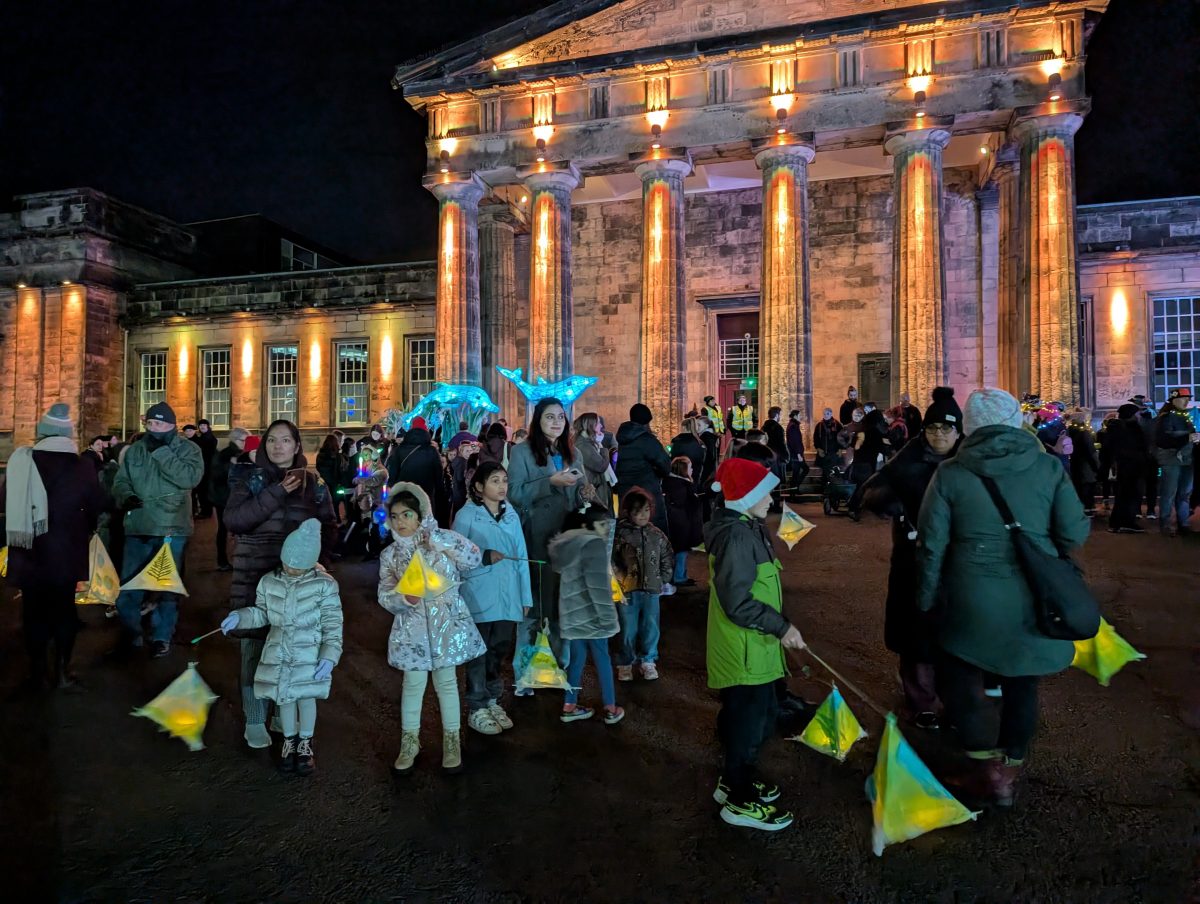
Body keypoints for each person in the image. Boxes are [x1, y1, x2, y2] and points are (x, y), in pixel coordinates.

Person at [916, 388, 1090, 807]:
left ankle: (984, 764)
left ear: (970, 426)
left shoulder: (951, 473)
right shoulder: (1047, 467)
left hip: (971, 594)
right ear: (1015, 420)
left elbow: (931, 545)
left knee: (960, 679)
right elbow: (1074, 532)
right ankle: (1008, 771)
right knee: (1022, 682)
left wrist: (926, 599)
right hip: (1033, 591)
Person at [704, 457, 806, 831]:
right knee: (748, 726)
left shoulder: (748, 527)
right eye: (765, 493)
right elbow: (737, 602)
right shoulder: (738, 536)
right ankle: (739, 799)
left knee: (757, 719)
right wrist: (781, 627)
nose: (772, 499)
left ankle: (735, 780)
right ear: (746, 496)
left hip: (754, 645)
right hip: (744, 648)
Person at [224, 419, 338, 749]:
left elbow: (329, 525)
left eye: (285, 440)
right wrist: (277, 492)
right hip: (254, 570)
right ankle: (255, 717)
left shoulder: (314, 482)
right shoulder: (249, 478)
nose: (278, 446)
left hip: (298, 579)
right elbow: (234, 520)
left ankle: (281, 712)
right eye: (272, 440)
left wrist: (318, 563)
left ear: (297, 445)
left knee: (292, 650)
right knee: (254, 649)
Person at [860, 387, 962, 729]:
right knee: (916, 633)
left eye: (946, 428)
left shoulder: (970, 461)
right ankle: (922, 702)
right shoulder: (909, 458)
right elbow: (874, 488)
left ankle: (955, 701)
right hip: (913, 558)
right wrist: (889, 501)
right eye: (932, 428)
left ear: (958, 431)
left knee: (954, 633)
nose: (939, 435)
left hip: (956, 560)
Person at [219, 519, 343, 776]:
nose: (290, 569)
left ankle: (305, 743)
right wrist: (240, 617)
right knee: (284, 698)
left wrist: (329, 655)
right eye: (287, 564)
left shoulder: (324, 585)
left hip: (309, 654)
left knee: (306, 699)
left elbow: (333, 624)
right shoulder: (269, 581)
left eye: (297, 567)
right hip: (280, 652)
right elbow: (262, 613)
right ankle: (289, 740)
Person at [379, 483, 485, 775]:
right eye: (395, 516)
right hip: (410, 632)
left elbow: (473, 558)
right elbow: (384, 594)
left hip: (445, 627)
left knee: (447, 684)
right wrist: (403, 599)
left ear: (421, 515)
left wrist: (439, 539)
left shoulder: (441, 540)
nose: (400, 522)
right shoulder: (390, 555)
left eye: (407, 514)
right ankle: (409, 742)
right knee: (412, 686)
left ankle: (452, 741)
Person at [2, 403, 105, 691]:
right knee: (63, 613)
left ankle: (37, 674)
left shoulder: (22, 461)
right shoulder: (81, 466)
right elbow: (96, 503)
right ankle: (61, 674)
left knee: (33, 614)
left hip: (29, 551)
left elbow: (3, 501)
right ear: (68, 434)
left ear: (41, 433)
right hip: (65, 553)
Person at [111, 402, 205, 658]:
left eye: (160, 424)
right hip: (138, 526)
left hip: (171, 528)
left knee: (166, 587)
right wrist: (126, 496)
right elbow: (120, 480)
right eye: (151, 423)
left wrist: (162, 452)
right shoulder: (135, 450)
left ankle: (161, 636)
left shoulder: (189, 449)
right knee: (130, 587)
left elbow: (189, 478)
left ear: (172, 425)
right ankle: (132, 633)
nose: (154, 428)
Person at [507, 397, 589, 676]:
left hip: (566, 538)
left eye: (560, 417)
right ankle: (525, 672)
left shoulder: (573, 453)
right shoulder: (522, 452)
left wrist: (584, 493)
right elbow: (514, 492)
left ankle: (557, 667)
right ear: (538, 420)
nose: (556, 422)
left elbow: (579, 494)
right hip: (536, 536)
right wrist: (549, 482)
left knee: (561, 605)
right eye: (549, 417)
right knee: (534, 606)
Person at [452, 462, 531, 736]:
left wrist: (525, 595)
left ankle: (493, 699)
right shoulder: (466, 516)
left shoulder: (511, 515)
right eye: (495, 481)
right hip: (478, 593)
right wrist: (483, 558)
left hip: (508, 594)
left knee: (499, 648)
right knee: (479, 651)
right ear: (478, 486)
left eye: (504, 480)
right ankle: (476, 705)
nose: (501, 486)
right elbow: (455, 556)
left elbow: (521, 555)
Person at [548, 506, 624, 724]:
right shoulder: (594, 545)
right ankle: (611, 708)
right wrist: (608, 619)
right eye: (603, 524)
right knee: (602, 659)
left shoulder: (568, 545)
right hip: (593, 618)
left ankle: (569, 705)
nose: (606, 529)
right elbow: (598, 587)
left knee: (577, 660)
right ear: (589, 525)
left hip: (573, 617)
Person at [612, 487, 674, 682]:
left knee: (651, 626)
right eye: (638, 511)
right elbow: (612, 560)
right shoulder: (620, 534)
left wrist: (662, 578)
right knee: (627, 628)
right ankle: (625, 662)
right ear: (628, 512)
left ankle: (648, 660)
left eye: (646, 510)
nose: (643, 515)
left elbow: (667, 556)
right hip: (627, 591)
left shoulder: (656, 534)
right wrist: (619, 581)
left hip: (651, 590)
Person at [614, 403, 672, 532]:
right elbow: (665, 465)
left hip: (626, 491)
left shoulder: (622, 439)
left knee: (629, 527)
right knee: (651, 528)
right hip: (646, 490)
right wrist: (659, 472)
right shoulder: (647, 440)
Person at [1153, 388, 1197, 536]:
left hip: (1186, 459)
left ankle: (1182, 523)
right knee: (1169, 493)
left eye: (1188, 398)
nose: (1187, 401)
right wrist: (1187, 438)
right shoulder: (1166, 418)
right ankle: (1167, 524)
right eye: (1184, 398)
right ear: (1174, 400)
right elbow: (1163, 440)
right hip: (1172, 460)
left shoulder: (1183, 416)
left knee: (1183, 493)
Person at [385, 417, 443, 515]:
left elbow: (392, 475)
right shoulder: (432, 451)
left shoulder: (400, 450)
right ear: (425, 431)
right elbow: (439, 478)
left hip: (404, 497)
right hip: (426, 498)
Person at [209, 427, 248, 572]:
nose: (245, 443)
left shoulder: (244, 454)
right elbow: (217, 476)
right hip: (224, 498)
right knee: (224, 529)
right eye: (243, 440)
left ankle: (239, 558)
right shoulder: (225, 455)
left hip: (237, 497)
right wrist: (231, 465)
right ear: (235, 440)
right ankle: (222, 560)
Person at [1106, 404, 1149, 534]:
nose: (1139, 416)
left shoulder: (1120, 428)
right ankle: (1125, 522)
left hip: (1129, 465)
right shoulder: (1127, 429)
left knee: (1125, 495)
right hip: (1130, 466)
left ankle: (1119, 522)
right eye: (1136, 413)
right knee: (1129, 494)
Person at [663, 457, 702, 586]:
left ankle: (675, 576)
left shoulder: (666, 483)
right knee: (681, 552)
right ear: (684, 470)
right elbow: (693, 506)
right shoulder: (685, 486)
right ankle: (679, 577)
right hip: (683, 525)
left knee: (674, 551)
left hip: (672, 524)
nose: (692, 470)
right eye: (690, 467)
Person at [352, 444, 390, 560]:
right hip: (367, 502)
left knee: (378, 527)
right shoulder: (365, 468)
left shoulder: (381, 470)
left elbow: (373, 481)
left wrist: (360, 479)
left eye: (368, 454)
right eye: (364, 455)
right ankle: (371, 549)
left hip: (378, 502)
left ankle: (378, 550)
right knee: (370, 526)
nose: (366, 457)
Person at [574, 411, 617, 511]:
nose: (601, 426)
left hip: (596, 487)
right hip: (593, 490)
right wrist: (604, 450)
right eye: (598, 423)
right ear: (590, 425)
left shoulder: (588, 442)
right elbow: (601, 466)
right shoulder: (583, 445)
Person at [1066, 408, 1100, 516]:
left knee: (1078, 486)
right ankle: (1088, 509)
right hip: (1085, 464)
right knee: (1087, 486)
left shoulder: (1068, 432)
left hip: (1074, 463)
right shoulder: (1084, 433)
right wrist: (1096, 466)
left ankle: (1080, 508)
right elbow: (1090, 452)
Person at [669, 417, 706, 492]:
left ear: (684, 427)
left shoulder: (676, 441)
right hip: (695, 473)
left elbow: (670, 455)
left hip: (678, 475)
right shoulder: (700, 442)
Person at [193, 419, 218, 518]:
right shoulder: (202, 438)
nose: (202, 427)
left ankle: (206, 511)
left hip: (207, 468)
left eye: (204, 425)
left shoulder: (210, 438)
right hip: (203, 467)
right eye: (200, 425)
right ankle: (205, 510)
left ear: (207, 426)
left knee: (204, 490)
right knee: (202, 490)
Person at [812, 408, 842, 481]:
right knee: (825, 469)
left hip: (834, 451)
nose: (825, 415)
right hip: (823, 451)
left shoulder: (837, 424)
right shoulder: (819, 425)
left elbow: (842, 437)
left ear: (831, 414)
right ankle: (826, 483)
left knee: (832, 467)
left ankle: (832, 482)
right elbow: (816, 438)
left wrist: (840, 448)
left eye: (827, 414)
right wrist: (818, 449)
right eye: (824, 414)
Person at [784, 410, 810, 489]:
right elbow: (795, 441)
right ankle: (794, 489)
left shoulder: (792, 425)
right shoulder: (793, 426)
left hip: (795, 453)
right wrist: (799, 454)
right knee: (803, 470)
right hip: (796, 454)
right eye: (799, 415)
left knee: (797, 473)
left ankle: (795, 489)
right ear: (795, 416)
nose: (800, 417)